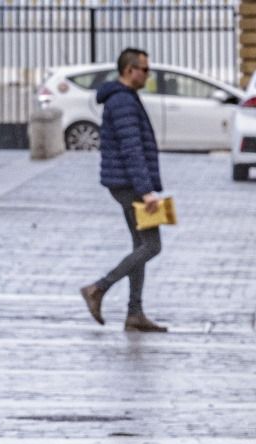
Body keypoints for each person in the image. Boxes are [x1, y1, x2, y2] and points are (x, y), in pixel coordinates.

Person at [80, 48, 168, 333]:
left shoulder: (125, 98)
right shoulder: (122, 102)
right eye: (144, 69)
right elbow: (132, 150)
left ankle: (135, 313)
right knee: (151, 245)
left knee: (140, 246)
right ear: (130, 70)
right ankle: (98, 288)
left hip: (126, 183)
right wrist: (146, 192)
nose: (148, 74)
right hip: (129, 186)